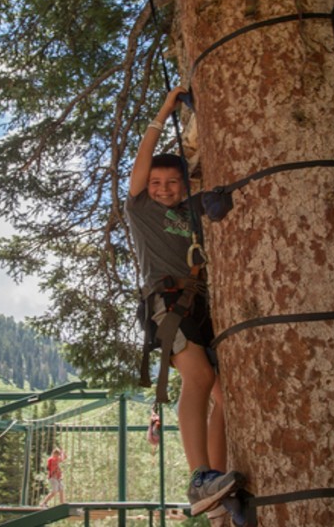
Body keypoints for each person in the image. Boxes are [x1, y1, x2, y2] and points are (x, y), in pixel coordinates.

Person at [124, 86, 245, 516]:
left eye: (172, 182)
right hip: (168, 303)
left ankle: (217, 480)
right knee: (198, 379)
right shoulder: (140, 209)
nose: (163, 189)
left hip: (202, 305)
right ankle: (200, 478)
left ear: (184, 183)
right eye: (156, 183)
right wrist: (166, 109)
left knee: (226, 398)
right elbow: (144, 159)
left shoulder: (192, 209)